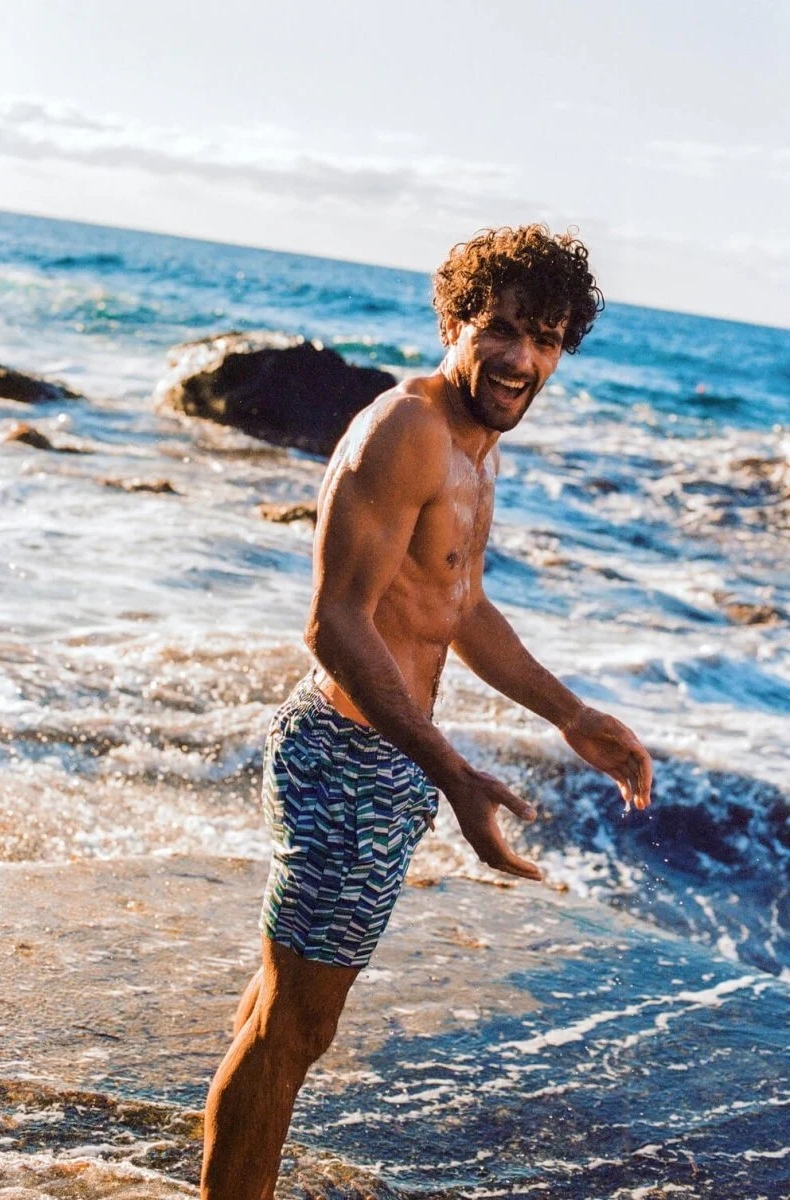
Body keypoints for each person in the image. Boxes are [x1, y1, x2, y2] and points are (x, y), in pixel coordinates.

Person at [200, 225, 653, 1199]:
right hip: (349, 758)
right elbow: (333, 624)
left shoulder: (476, 448)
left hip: (384, 762)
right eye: (502, 329)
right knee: (294, 1031)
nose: (522, 358)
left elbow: (460, 605)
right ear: (456, 323)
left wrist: (572, 715)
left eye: (546, 338)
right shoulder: (408, 430)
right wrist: (450, 771)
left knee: (284, 1020)